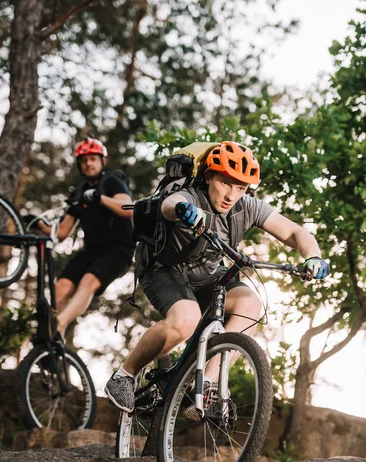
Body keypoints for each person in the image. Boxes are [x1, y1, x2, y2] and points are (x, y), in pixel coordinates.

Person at [105, 140, 329, 413]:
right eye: (225, 182)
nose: (231, 194)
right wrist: (182, 211)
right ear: (209, 176)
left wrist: (313, 256)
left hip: (209, 273)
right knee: (186, 320)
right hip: (164, 268)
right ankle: (124, 376)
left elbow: (295, 232)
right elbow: (170, 204)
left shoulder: (246, 206)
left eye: (240, 187)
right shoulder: (190, 195)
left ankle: (208, 385)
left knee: (251, 306)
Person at [38, 137, 135, 338]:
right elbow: (62, 232)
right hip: (91, 251)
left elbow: (127, 208)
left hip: (118, 249)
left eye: (92, 159)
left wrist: (99, 197)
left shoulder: (112, 181)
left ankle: (59, 326)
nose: (88, 163)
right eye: (83, 161)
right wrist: (35, 223)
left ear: (102, 161)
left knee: (88, 281)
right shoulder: (79, 192)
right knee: (60, 288)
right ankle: (52, 344)